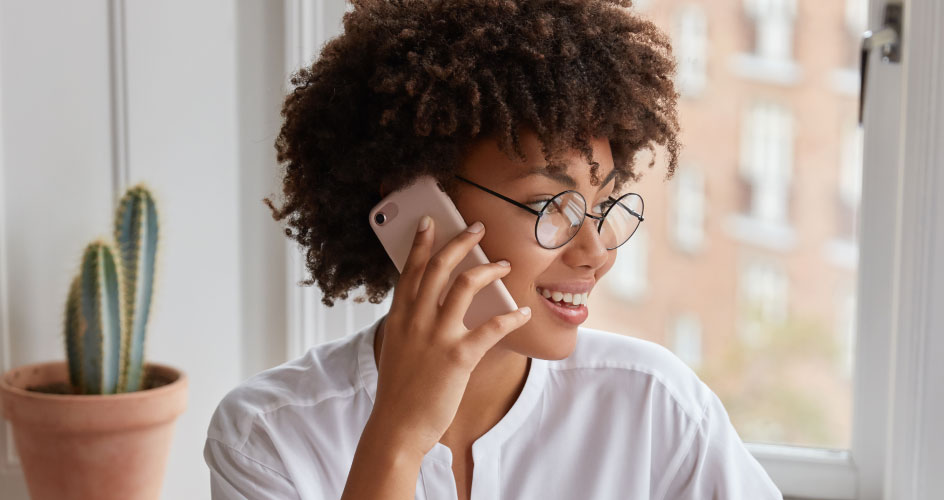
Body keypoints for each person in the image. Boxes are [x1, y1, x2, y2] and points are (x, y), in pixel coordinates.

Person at [204, 0, 782, 498]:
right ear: (417, 205)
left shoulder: (657, 409)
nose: (596, 250)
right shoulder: (268, 436)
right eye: (549, 206)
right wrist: (398, 440)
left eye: (603, 204)